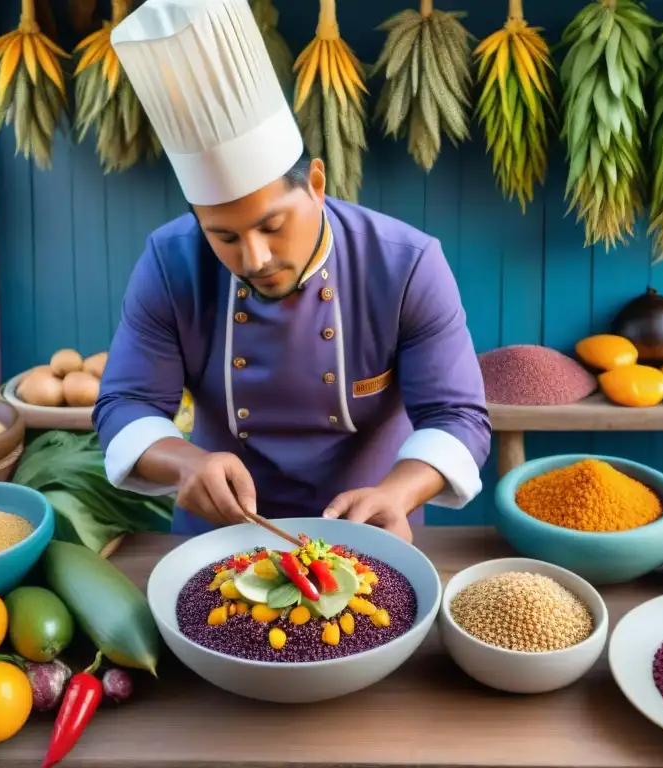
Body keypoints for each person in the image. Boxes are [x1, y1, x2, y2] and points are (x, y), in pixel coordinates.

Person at [94, 0, 491, 543]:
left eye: (272, 225)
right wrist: (185, 464)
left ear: (318, 185)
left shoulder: (406, 263)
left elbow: (457, 415)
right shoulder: (170, 263)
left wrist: (398, 493)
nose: (253, 258)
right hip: (218, 537)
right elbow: (126, 402)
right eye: (224, 237)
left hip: (366, 531)